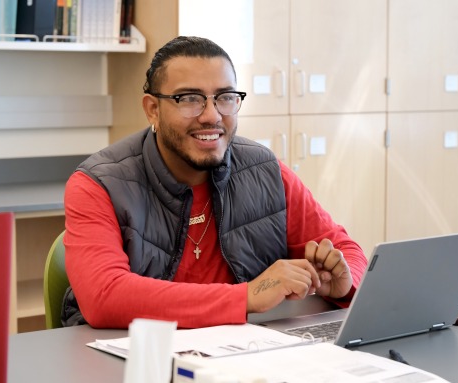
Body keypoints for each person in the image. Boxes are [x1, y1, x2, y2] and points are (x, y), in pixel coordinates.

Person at [62, 36, 368, 329]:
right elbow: (104, 296)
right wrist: (247, 297)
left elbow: (346, 250)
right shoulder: (97, 185)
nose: (211, 116)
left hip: (244, 356)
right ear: (152, 109)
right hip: (137, 360)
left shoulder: (266, 171)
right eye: (190, 99)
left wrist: (343, 283)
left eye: (224, 98)